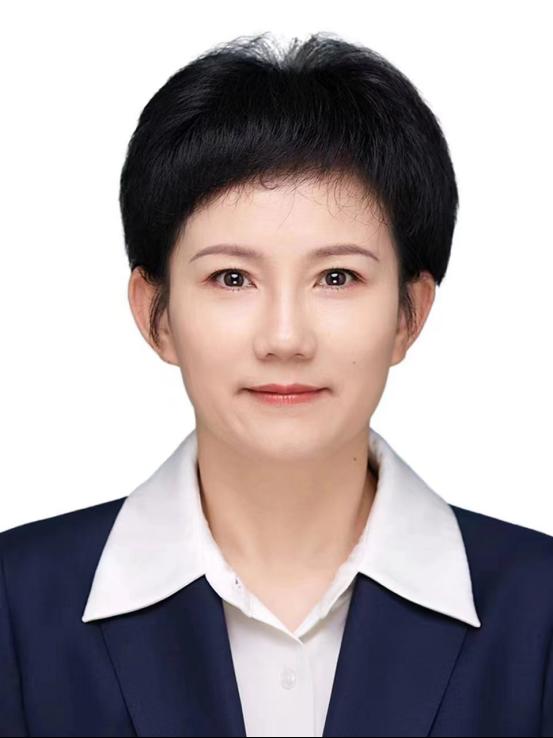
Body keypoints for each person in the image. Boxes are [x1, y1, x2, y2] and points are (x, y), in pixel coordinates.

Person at [1, 31, 552, 738]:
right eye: (232, 278)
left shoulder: (537, 609)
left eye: (337, 277)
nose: (285, 338)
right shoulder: (17, 605)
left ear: (408, 315)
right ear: (155, 314)